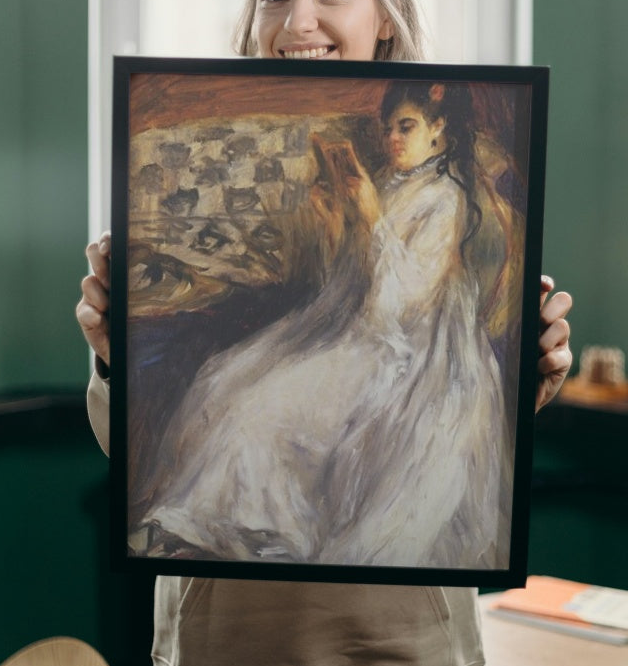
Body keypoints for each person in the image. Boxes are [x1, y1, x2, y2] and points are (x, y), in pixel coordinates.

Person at [77, 0, 573, 666]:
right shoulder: (269, 151)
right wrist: (113, 353)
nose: (296, 19)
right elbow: (133, 452)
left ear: (384, 12)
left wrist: (529, 369)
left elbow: (426, 337)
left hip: (391, 645)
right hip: (229, 647)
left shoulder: (452, 179)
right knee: (227, 394)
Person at [132, 79, 513, 571]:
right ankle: (197, 524)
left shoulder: (445, 200)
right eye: (388, 128)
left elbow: (400, 307)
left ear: (438, 128)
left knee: (264, 409)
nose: (393, 139)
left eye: (406, 126)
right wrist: (338, 218)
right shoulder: (392, 183)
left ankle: (263, 532)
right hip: (363, 327)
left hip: (410, 352)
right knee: (224, 380)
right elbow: (351, 282)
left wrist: (371, 217)